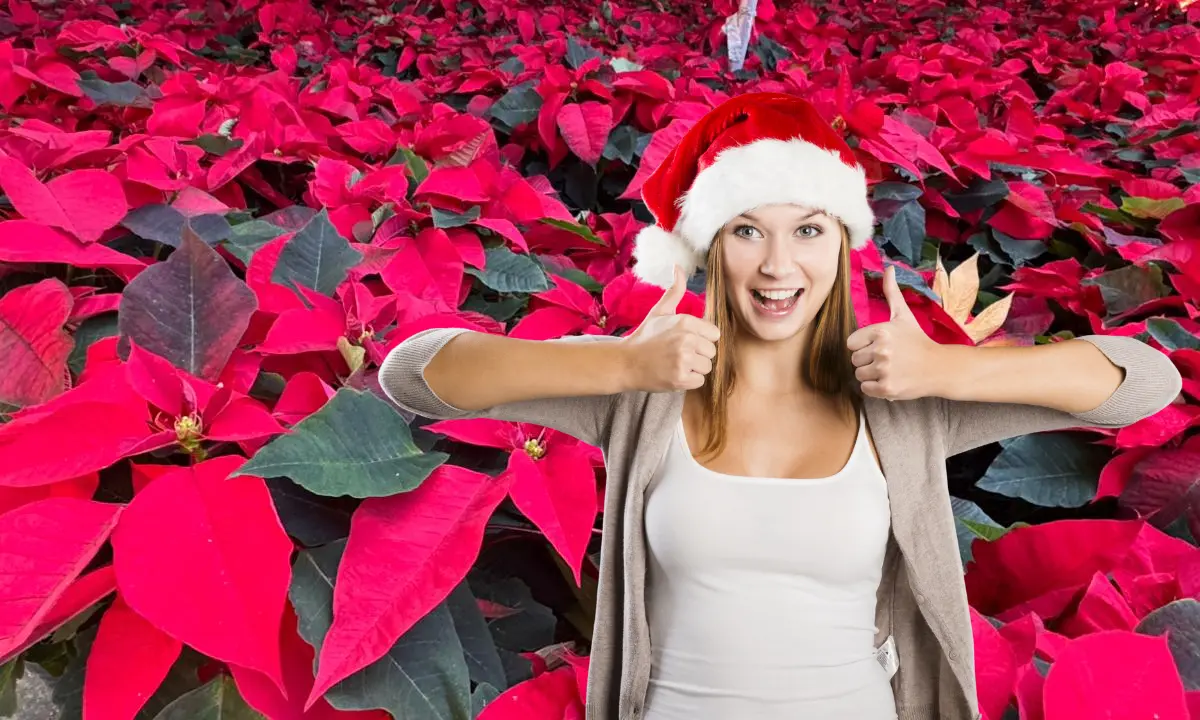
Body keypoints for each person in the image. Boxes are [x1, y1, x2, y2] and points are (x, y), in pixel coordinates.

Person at [379, 92, 1182, 720]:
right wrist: (617, 361)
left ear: (842, 241)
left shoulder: (900, 394)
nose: (777, 265)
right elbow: (415, 374)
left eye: (806, 230)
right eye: (745, 232)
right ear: (707, 247)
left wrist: (949, 370)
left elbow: (1145, 385)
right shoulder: (647, 386)